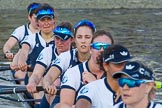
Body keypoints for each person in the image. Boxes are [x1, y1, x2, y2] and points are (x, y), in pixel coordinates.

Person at [54, 30, 114, 108]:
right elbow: (65, 104)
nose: (102, 50)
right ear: (91, 49)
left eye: (106, 47)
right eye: (98, 46)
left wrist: (94, 84)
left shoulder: (117, 73)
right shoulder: (73, 73)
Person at [43, 19, 96, 107]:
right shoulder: (66, 57)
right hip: (64, 100)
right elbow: (50, 76)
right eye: (79, 37)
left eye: (87, 37)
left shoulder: (101, 59)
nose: (83, 41)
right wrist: (48, 84)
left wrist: (95, 83)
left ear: (93, 40)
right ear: (74, 39)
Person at [26, 21, 74, 107]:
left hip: (71, 92)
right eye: (57, 38)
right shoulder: (47, 51)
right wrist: (32, 82)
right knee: (54, 82)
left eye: (63, 39)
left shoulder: (76, 54)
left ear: (72, 39)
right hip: (50, 92)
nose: (59, 42)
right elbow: (36, 74)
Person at [3, 2, 41, 84]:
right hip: (22, 66)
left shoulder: (47, 32)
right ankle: (25, 90)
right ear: (29, 17)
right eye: (36, 19)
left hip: (40, 65)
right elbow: (8, 45)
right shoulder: (21, 30)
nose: (39, 22)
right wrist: (7, 52)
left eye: (41, 18)